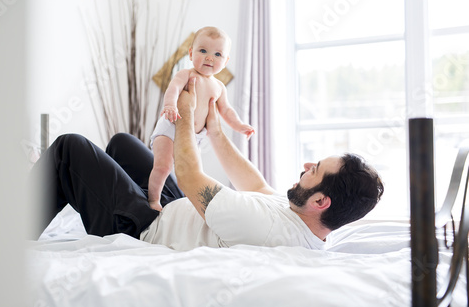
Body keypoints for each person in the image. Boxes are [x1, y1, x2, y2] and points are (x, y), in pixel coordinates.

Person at [31, 76, 384, 251]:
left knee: (69, 149)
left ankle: (2, 239)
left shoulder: (270, 231)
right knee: (124, 144)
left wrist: (185, 112)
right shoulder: (301, 215)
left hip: (145, 229)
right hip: (174, 209)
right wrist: (215, 131)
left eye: (316, 170)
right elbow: (257, 185)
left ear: (322, 201)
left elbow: (188, 174)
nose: (307, 165)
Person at [148, 26, 254, 211]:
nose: (209, 57)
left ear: (226, 60)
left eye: (218, 54)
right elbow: (172, 89)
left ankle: (189, 207)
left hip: (193, 137)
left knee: (192, 175)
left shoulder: (220, 87)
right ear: (191, 53)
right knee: (163, 166)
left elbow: (227, 110)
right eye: (203, 51)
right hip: (171, 126)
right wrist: (170, 105)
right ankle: (153, 200)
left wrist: (239, 125)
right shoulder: (186, 74)